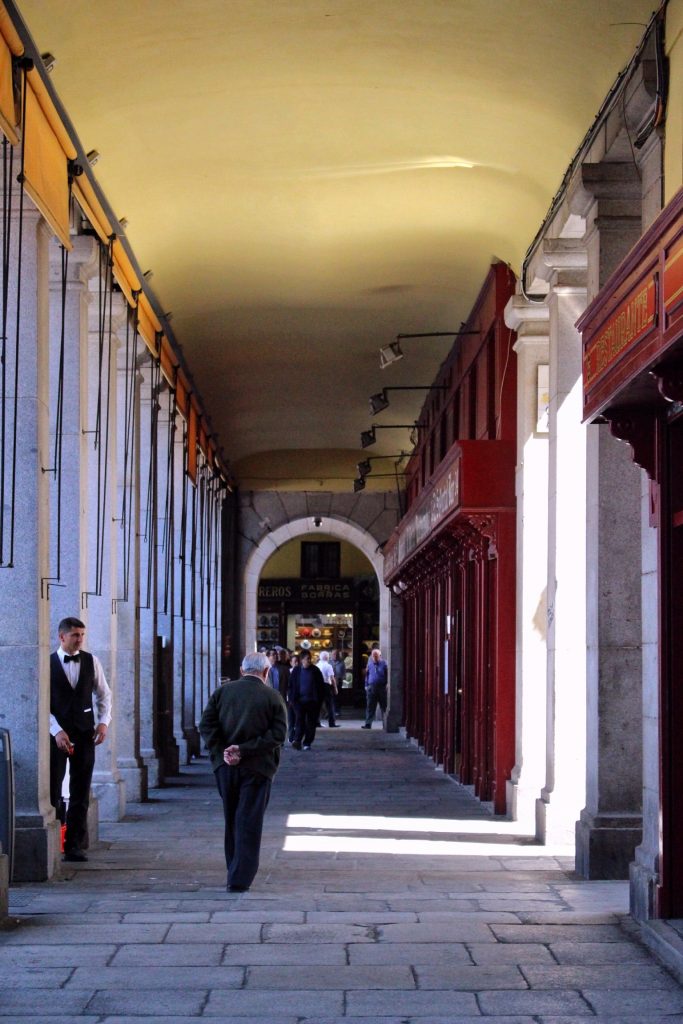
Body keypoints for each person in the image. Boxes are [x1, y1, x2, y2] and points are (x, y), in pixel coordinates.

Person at [199, 651, 287, 892]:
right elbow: (278, 735)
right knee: (249, 819)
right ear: (266, 672)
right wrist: (245, 750)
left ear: (241, 670)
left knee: (232, 817)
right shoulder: (273, 697)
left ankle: (233, 867)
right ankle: (239, 877)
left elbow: (206, 725)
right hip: (258, 768)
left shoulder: (222, 693)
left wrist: (224, 751)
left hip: (225, 768)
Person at [49, 616, 112, 862]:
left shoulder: (91, 661)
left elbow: (104, 694)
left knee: (80, 789)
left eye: (82, 635)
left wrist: (104, 722)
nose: (80, 640)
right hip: (56, 737)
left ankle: (75, 844)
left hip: (85, 733)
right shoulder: (48, 662)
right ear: (61, 636)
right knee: (53, 788)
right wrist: (56, 730)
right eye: (75, 635)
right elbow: (40, 702)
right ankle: (54, 843)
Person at [288, 649, 325, 750]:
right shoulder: (296, 671)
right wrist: (292, 699)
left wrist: (320, 700)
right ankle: (297, 740)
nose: (309, 661)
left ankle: (307, 742)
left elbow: (321, 686)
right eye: (307, 659)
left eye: (310, 659)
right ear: (301, 660)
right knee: (299, 720)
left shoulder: (315, 671)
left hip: (313, 702)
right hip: (299, 701)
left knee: (311, 723)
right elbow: (291, 685)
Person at [362, 647, 388, 729]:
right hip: (371, 687)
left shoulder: (384, 663)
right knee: (370, 706)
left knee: (384, 706)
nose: (374, 657)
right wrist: (366, 685)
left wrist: (387, 684)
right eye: (373, 656)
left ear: (380, 656)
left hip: (381, 687)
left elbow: (387, 674)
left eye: (376, 656)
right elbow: (367, 675)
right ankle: (368, 724)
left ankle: (386, 724)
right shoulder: (369, 664)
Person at [317, 650, 339, 727]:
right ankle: (332, 722)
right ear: (327, 658)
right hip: (326, 686)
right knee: (330, 705)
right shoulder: (328, 666)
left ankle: (317, 722)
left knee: (318, 705)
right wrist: (335, 688)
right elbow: (332, 678)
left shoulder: (317, 665)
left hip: (318, 686)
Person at [331, 648, 346, 719]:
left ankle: (337, 710)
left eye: (336, 654)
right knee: (331, 697)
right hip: (330, 682)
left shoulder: (341, 662)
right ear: (331, 654)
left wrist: (341, 678)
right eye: (334, 654)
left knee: (338, 697)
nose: (335, 655)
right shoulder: (328, 662)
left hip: (338, 681)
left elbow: (344, 673)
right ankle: (331, 711)